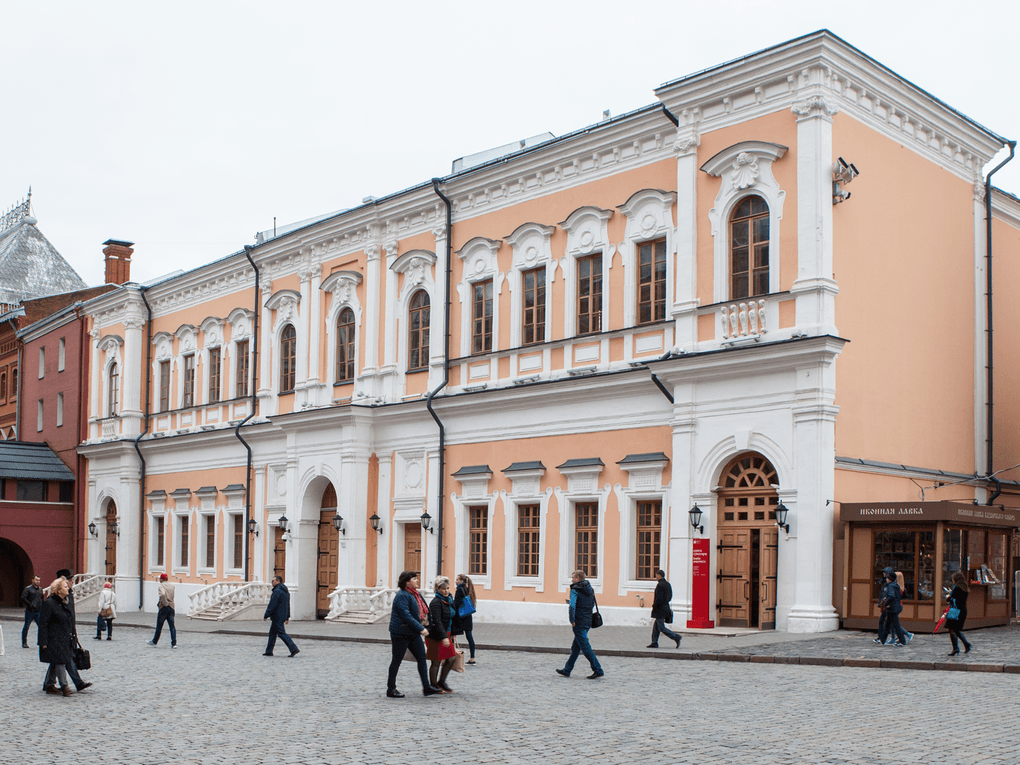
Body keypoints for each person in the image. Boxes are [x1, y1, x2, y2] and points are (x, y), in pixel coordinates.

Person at [386, 570, 442, 698]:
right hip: (400, 632)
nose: (417, 580)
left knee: (422, 658)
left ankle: (426, 687)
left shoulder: (415, 594)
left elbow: (424, 611)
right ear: (407, 582)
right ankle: (391, 688)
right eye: (414, 578)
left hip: (413, 633)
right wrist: (421, 629)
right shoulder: (402, 595)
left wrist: (428, 626)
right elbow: (406, 615)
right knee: (396, 660)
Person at [555, 570, 604, 679]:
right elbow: (590, 604)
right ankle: (567, 669)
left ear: (577, 578)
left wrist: (572, 620)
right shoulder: (589, 589)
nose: (572, 580)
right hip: (587, 620)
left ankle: (598, 669)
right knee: (576, 647)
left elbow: (572, 606)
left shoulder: (575, 590)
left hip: (579, 622)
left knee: (585, 647)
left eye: (573, 577)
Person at [38, 578, 77, 696]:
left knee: (56, 661)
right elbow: (43, 623)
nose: (68, 588)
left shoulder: (64, 602)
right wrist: (43, 641)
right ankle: (65, 686)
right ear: (58, 590)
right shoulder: (50, 603)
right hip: (53, 638)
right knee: (60, 661)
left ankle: (49, 684)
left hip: (64, 638)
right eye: (65, 587)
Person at [426, 576, 457, 693]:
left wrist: (453, 633)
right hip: (435, 635)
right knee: (436, 661)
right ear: (437, 589)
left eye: (448, 588)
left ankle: (442, 681)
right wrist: (444, 637)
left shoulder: (449, 600)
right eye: (443, 589)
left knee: (451, 658)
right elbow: (437, 621)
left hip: (447, 633)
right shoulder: (435, 602)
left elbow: (453, 618)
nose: (446, 591)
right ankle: (433, 685)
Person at [263, 576, 300, 657]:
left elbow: (272, 605)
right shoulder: (285, 591)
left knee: (281, 633)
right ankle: (269, 651)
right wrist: (287, 616)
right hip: (281, 615)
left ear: (278, 581)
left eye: (273, 581)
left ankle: (293, 648)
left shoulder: (277, 591)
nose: (272, 582)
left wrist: (266, 614)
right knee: (272, 633)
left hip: (277, 615)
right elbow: (287, 605)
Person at [876, 567, 911, 646]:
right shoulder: (895, 585)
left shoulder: (890, 586)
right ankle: (882, 640)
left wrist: (886, 603)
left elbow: (891, 596)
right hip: (895, 606)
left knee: (896, 625)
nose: (886, 579)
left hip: (892, 607)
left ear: (889, 579)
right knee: (888, 624)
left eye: (887, 578)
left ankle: (902, 641)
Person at [647, 569, 682, 649]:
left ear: (659, 576)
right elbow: (670, 596)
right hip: (665, 607)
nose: (656, 577)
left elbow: (658, 598)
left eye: (656, 576)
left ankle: (676, 637)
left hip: (660, 609)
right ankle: (654, 642)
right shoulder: (667, 584)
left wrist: (655, 606)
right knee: (656, 626)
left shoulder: (660, 585)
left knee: (661, 627)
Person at [451, 574, 477, 665]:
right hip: (468, 616)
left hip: (460, 617)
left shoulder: (459, 590)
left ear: (462, 581)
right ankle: (472, 658)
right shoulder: (468, 589)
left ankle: (451, 657)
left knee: (452, 635)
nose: (456, 581)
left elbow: (456, 604)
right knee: (469, 637)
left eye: (457, 580)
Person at [945, 570, 972, 656]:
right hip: (962, 610)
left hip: (955, 610)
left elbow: (953, 599)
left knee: (952, 628)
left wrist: (948, 598)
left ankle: (958, 647)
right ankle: (963, 645)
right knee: (955, 629)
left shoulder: (956, 587)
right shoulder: (965, 588)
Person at [147, 573, 177, 648]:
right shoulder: (172, 586)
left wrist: (165, 603)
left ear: (162, 579)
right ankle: (174, 643)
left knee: (159, 626)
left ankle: (154, 641)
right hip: (171, 607)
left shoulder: (161, 586)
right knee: (172, 626)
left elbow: (163, 594)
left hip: (164, 607)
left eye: (160, 578)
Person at [20, 575, 43, 648]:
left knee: (41, 627)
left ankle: (41, 642)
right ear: (32, 580)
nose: (37, 581)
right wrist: (30, 605)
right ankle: (24, 642)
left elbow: (42, 599)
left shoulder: (40, 589)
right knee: (26, 627)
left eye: (39, 580)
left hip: (38, 611)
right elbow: (23, 598)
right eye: (36, 580)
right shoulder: (28, 589)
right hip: (30, 611)